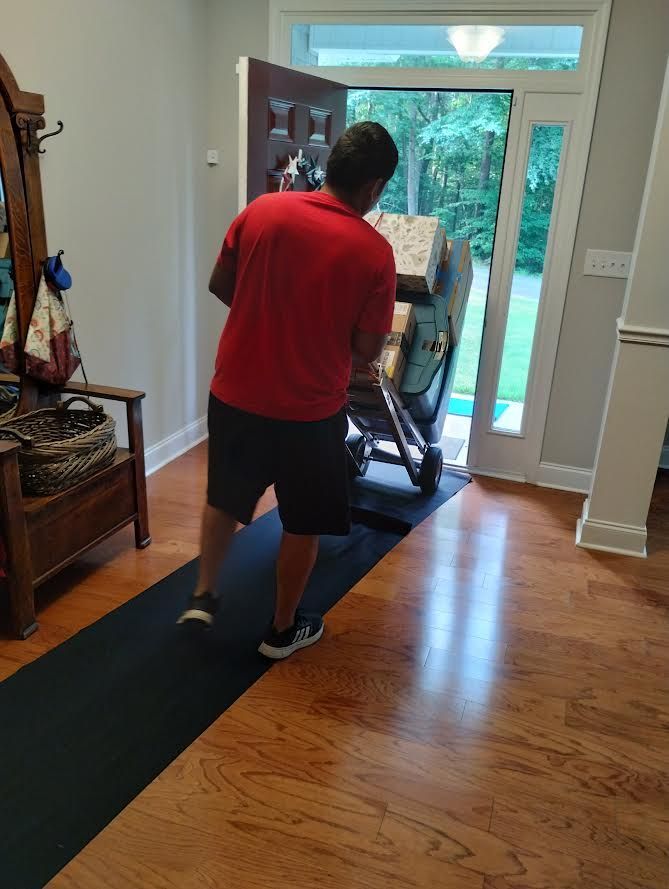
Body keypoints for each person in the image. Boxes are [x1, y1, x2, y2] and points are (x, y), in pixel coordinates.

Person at [178, 121, 398, 659]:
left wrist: (267, 319)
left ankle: (205, 595)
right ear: (373, 188)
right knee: (302, 521)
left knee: (224, 496)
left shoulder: (262, 210)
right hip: (310, 411)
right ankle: (280, 631)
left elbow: (219, 283)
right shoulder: (373, 252)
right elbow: (368, 348)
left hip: (235, 394)